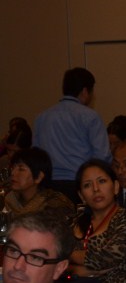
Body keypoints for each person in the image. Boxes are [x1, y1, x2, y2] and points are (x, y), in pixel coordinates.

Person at [69, 160, 126, 283]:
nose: (96, 189)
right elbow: (55, 258)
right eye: (87, 185)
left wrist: (70, 256)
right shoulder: (75, 222)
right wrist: (76, 270)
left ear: (115, 187)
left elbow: (106, 258)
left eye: (102, 181)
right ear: (81, 195)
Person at [34, 68, 111, 203]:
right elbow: (102, 156)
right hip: (79, 185)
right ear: (85, 91)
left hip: (48, 186)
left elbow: (35, 156)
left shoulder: (42, 117)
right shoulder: (90, 116)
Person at [4, 147, 75, 222]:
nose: (13, 173)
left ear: (38, 177)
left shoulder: (54, 205)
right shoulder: (11, 200)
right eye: (13, 168)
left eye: (21, 169)